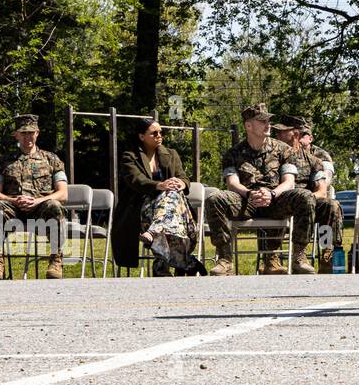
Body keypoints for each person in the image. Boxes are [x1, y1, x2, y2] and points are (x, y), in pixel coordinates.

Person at [205, 103, 316, 276]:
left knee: (306, 196)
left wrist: (272, 193)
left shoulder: (283, 149)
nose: (268, 124)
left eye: (269, 121)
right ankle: (225, 260)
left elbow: (289, 182)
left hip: (276, 200)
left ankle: (298, 257)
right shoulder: (233, 153)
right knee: (215, 199)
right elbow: (232, 183)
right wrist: (249, 193)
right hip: (246, 200)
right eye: (262, 121)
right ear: (248, 126)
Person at [0, 115, 68, 280]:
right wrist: (14, 200)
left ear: (37, 133)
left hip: (41, 208)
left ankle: (56, 260)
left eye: (31, 132)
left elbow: (63, 193)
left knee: (55, 205)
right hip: (13, 208)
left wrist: (37, 201)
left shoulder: (52, 159)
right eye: (24, 133)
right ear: (16, 134)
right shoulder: (4, 161)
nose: (28, 137)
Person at [116, 118, 199, 276]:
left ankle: (156, 241)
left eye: (161, 132)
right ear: (142, 137)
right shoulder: (130, 157)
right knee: (169, 194)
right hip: (142, 211)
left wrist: (181, 183)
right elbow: (136, 180)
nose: (159, 136)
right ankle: (182, 263)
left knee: (172, 193)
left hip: (175, 212)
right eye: (154, 133)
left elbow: (184, 177)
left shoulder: (172, 154)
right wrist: (159, 185)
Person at [274, 115, 344, 273]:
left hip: (306, 201)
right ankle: (276, 257)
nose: (277, 135)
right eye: (276, 132)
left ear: (296, 135)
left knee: (330, 205)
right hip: (280, 201)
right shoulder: (272, 156)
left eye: (282, 132)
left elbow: (322, 190)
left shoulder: (314, 160)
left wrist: (308, 198)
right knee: (303, 199)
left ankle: (327, 253)